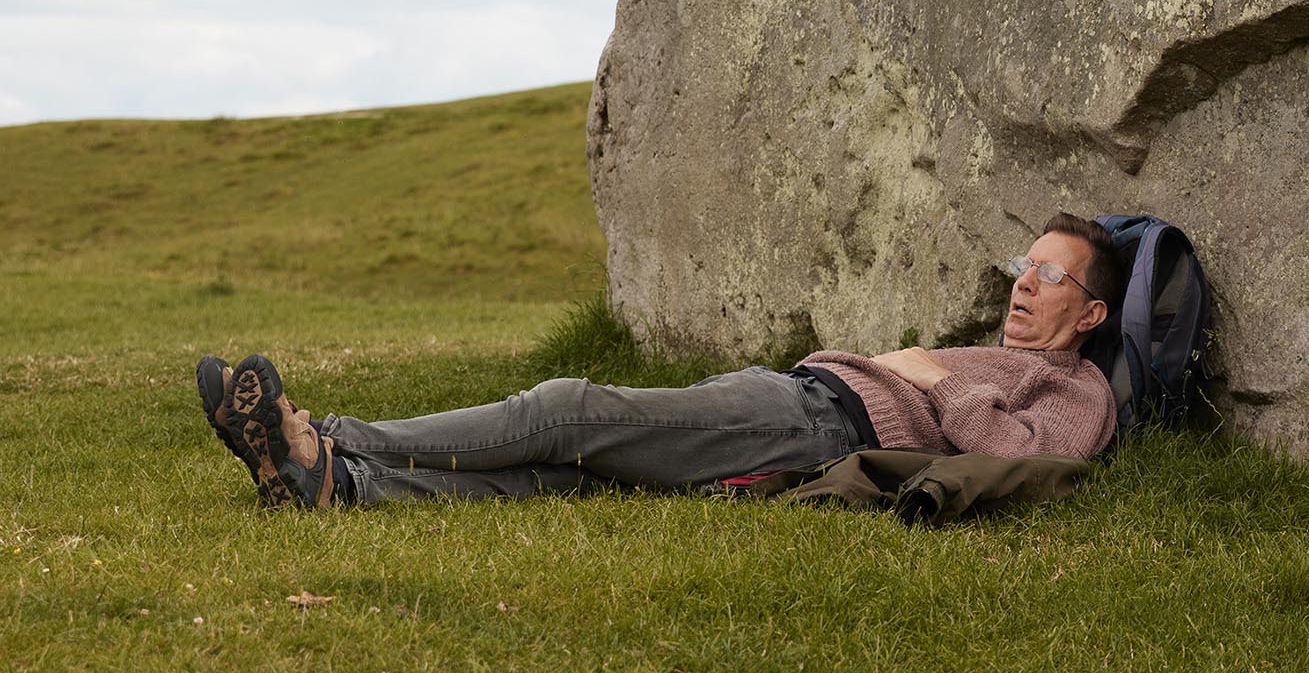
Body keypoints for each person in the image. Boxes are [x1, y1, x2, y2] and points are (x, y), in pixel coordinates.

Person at [196, 212, 1120, 510]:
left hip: (814, 426)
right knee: (557, 475)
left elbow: (1020, 464)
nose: (1025, 282)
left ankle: (320, 438)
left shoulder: (1076, 389)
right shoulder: (995, 351)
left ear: (1093, 311)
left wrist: (936, 378)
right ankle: (335, 489)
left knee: (566, 409)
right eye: (1023, 265)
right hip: (791, 396)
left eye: (1050, 273)